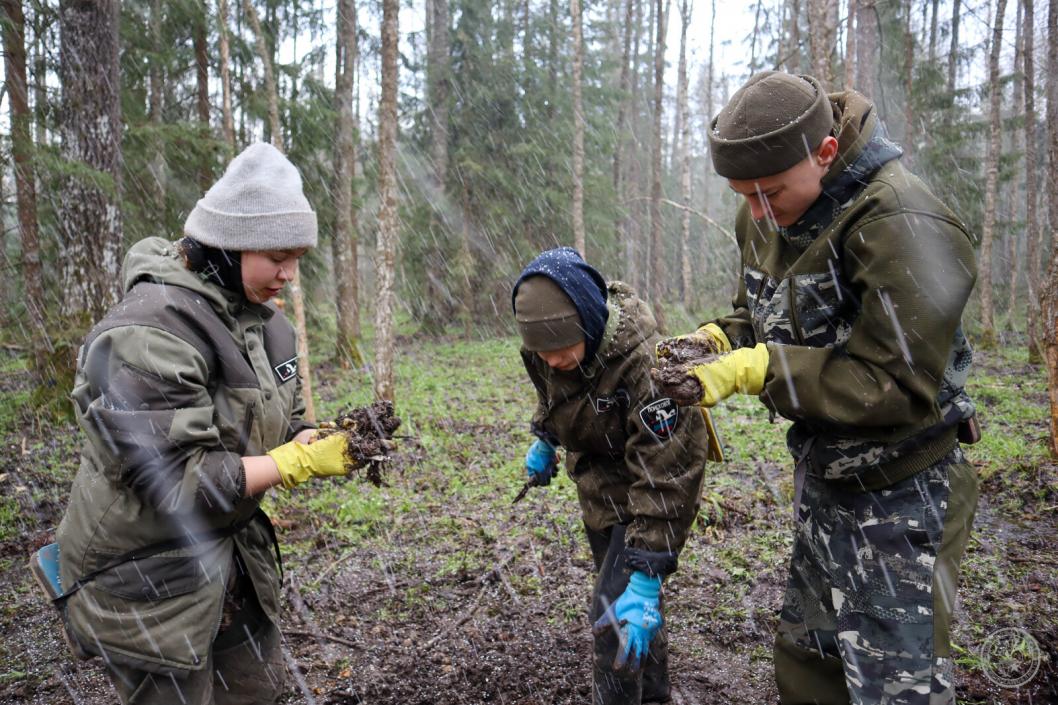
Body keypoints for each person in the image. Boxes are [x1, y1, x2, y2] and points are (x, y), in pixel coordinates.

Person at [655, 71, 980, 705]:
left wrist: (760, 371)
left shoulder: (900, 221)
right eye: (741, 195)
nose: (757, 212)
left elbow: (895, 382)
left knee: (895, 684)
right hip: (826, 483)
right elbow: (761, 312)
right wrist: (717, 340)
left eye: (769, 193)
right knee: (811, 667)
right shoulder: (768, 211)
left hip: (905, 493)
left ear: (825, 153)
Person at [49, 143, 351, 704]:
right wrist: (289, 464)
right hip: (149, 578)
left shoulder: (267, 325)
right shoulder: (150, 334)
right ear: (227, 248)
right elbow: (174, 481)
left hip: (231, 563)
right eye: (277, 255)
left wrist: (306, 439)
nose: (289, 274)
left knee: (255, 693)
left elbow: (274, 422)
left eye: (298, 257)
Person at [512, 247, 723, 705]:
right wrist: (546, 438)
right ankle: (652, 694)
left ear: (588, 323)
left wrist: (648, 575)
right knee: (633, 613)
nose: (550, 361)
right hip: (598, 490)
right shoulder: (547, 355)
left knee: (612, 614)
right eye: (539, 352)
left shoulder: (648, 370)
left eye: (559, 349)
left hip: (647, 488)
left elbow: (670, 474)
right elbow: (553, 394)